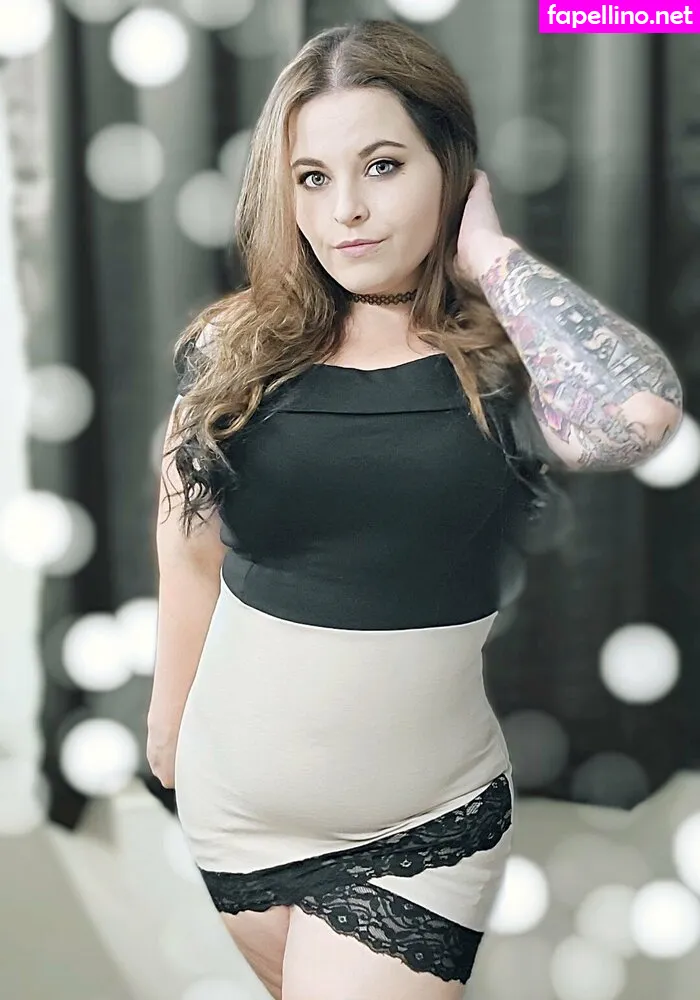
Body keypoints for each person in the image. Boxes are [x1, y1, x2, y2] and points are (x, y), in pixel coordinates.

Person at [146, 18, 682, 1000]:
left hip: (420, 832)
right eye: (312, 178)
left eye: (383, 165)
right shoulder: (235, 346)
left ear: (450, 168)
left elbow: (639, 418)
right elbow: (187, 541)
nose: (345, 210)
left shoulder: (505, 362)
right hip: (230, 812)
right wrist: (167, 731)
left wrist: (494, 255)